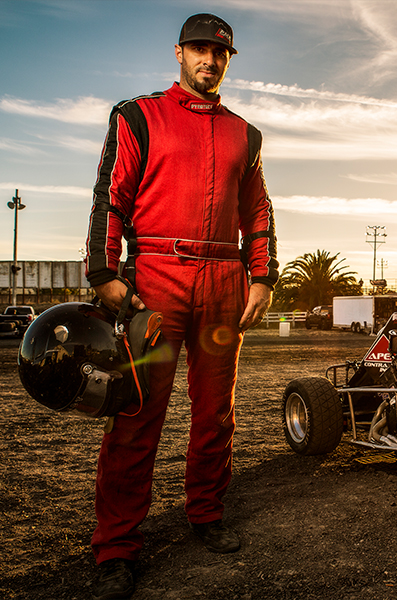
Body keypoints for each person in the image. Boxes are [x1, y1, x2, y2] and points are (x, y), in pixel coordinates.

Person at [84, 14, 278, 600]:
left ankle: (205, 513)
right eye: (199, 49)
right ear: (179, 53)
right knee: (138, 412)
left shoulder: (247, 134)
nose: (210, 61)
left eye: (220, 53)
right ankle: (116, 546)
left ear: (228, 60)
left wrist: (263, 278)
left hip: (224, 279)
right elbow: (109, 196)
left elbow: (259, 211)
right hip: (157, 279)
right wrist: (105, 272)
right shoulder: (137, 115)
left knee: (216, 410)